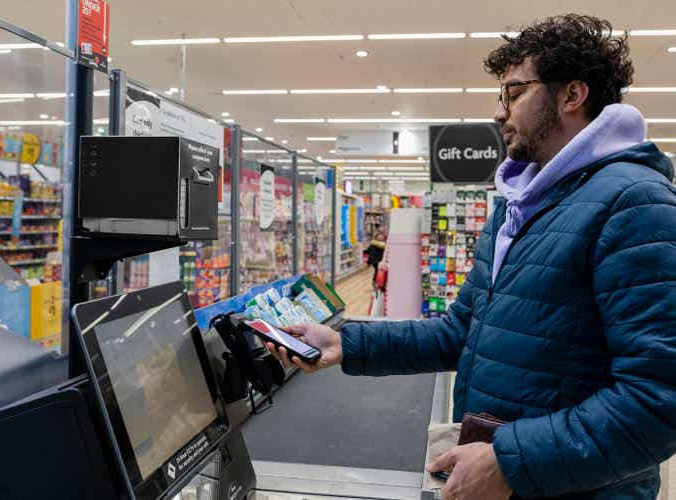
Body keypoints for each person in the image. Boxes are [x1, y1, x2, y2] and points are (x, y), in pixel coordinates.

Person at [266, 14, 676, 500]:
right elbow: (461, 331)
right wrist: (345, 344)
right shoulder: (520, 203)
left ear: (572, 95)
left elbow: (658, 399)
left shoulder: (636, 203)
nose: (500, 112)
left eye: (514, 92)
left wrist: (511, 461)